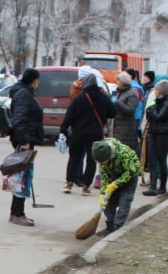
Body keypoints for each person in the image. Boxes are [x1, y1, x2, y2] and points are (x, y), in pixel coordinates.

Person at [60, 67, 113, 196]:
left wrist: (63, 130)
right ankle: (86, 187)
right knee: (91, 160)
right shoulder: (103, 98)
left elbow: (69, 116)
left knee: (74, 157)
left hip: (78, 133)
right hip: (96, 134)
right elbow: (113, 112)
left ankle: (69, 183)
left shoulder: (79, 98)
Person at [7, 67, 43, 226]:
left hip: (25, 139)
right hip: (24, 141)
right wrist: (24, 142)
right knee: (23, 178)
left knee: (21, 176)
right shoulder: (24, 94)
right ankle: (18, 214)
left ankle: (15, 213)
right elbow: (19, 119)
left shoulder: (23, 92)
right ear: (34, 81)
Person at [92, 138, 142, 234]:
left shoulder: (122, 153)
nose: (101, 164)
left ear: (109, 155)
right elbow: (104, 176)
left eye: (103, 161)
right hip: (114, 175)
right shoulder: (102, 159)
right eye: (99, 162)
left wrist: (116, 183)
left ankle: (117, 226)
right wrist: (103, 193)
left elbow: (130, 171)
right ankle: (110, 224)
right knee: (109, 200)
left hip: (130, 175)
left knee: (125, 200)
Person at [142, 79, 168, 196]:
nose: (154, 92)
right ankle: (152, 187)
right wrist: (151, 110)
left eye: (156, 90)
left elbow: (159, 117)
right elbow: (151, 117)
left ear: (160, 91)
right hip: (154, 132)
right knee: (152, 160)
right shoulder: (158, 102)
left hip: (164, 134)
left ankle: (162, 186)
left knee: (161, 160)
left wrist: (152, 109)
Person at [112, 71, 140, 154]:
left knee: (123, 151)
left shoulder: (132, 94)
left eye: (118, 80)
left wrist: (116, 102)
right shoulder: (118, 92)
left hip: (126, 128)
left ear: (123, 81)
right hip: (117, 126)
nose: (116, 82)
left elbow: (130, 110)